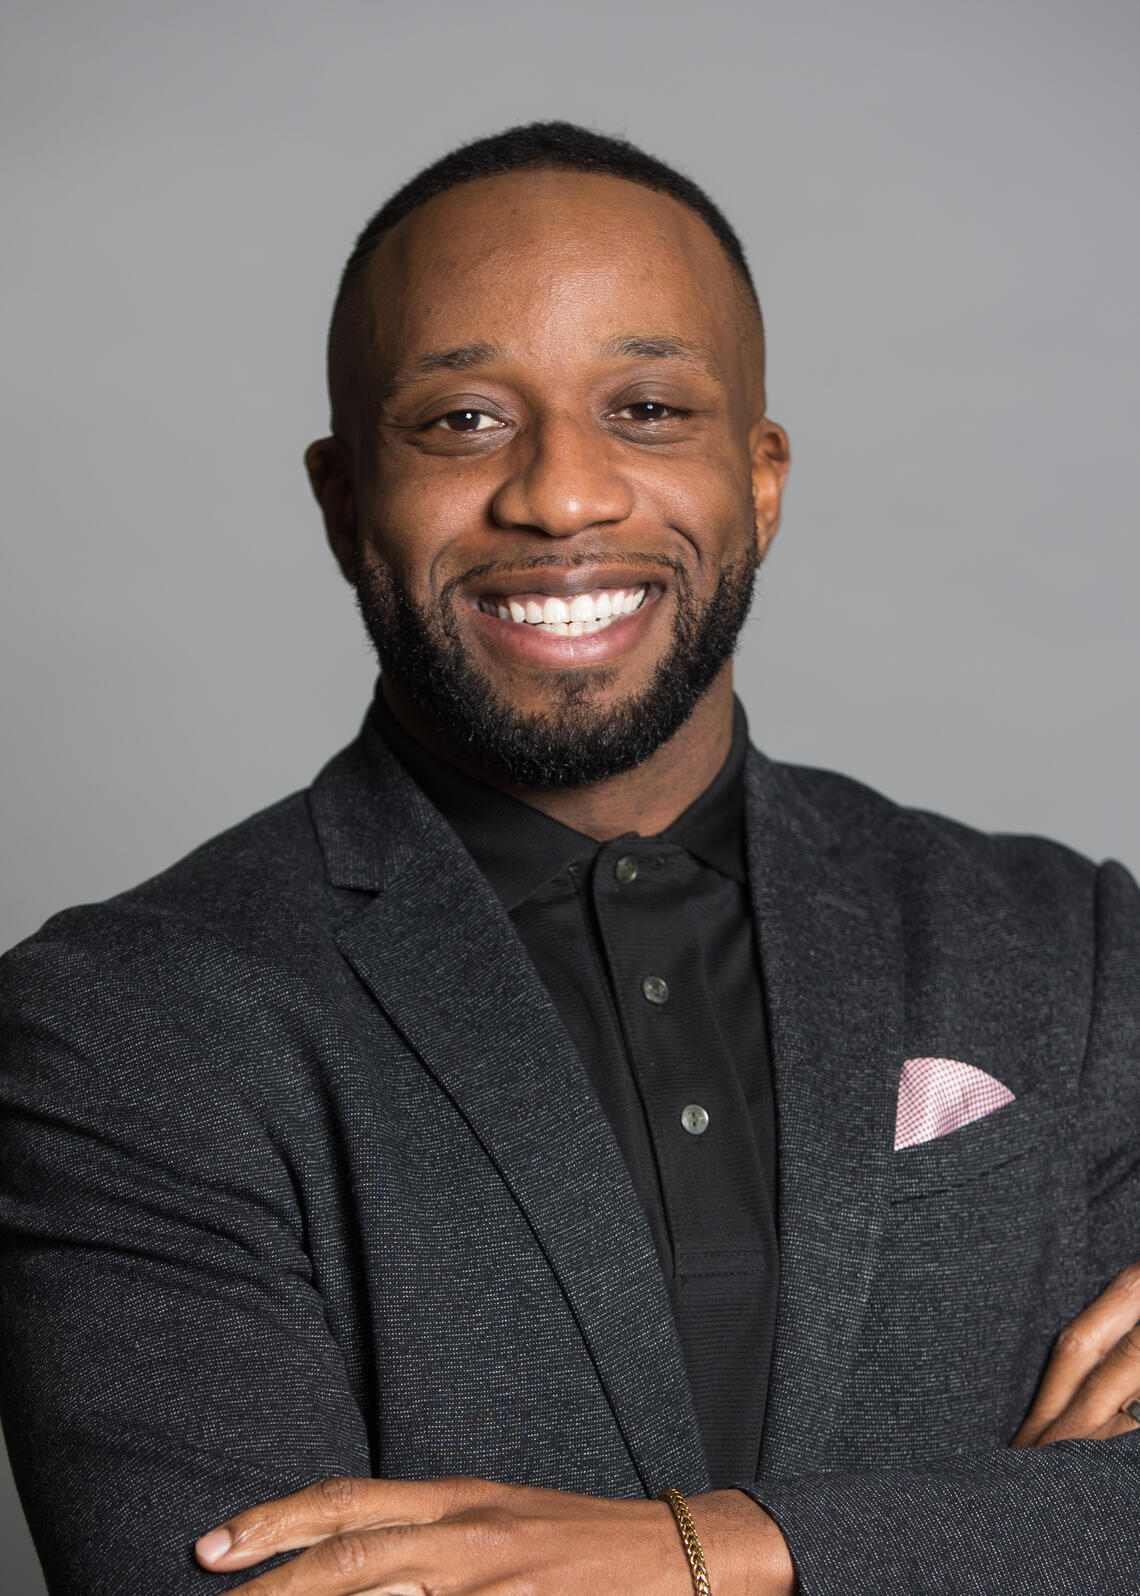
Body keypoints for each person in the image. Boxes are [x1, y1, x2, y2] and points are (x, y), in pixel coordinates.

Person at [1, 121, 1138, 1596]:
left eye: (651, 407)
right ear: (346, 502)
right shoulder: (118, 1029)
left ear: (764, 476)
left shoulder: (1074, 945)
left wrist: (710, 1550)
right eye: (463, 421)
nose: (560, 494)